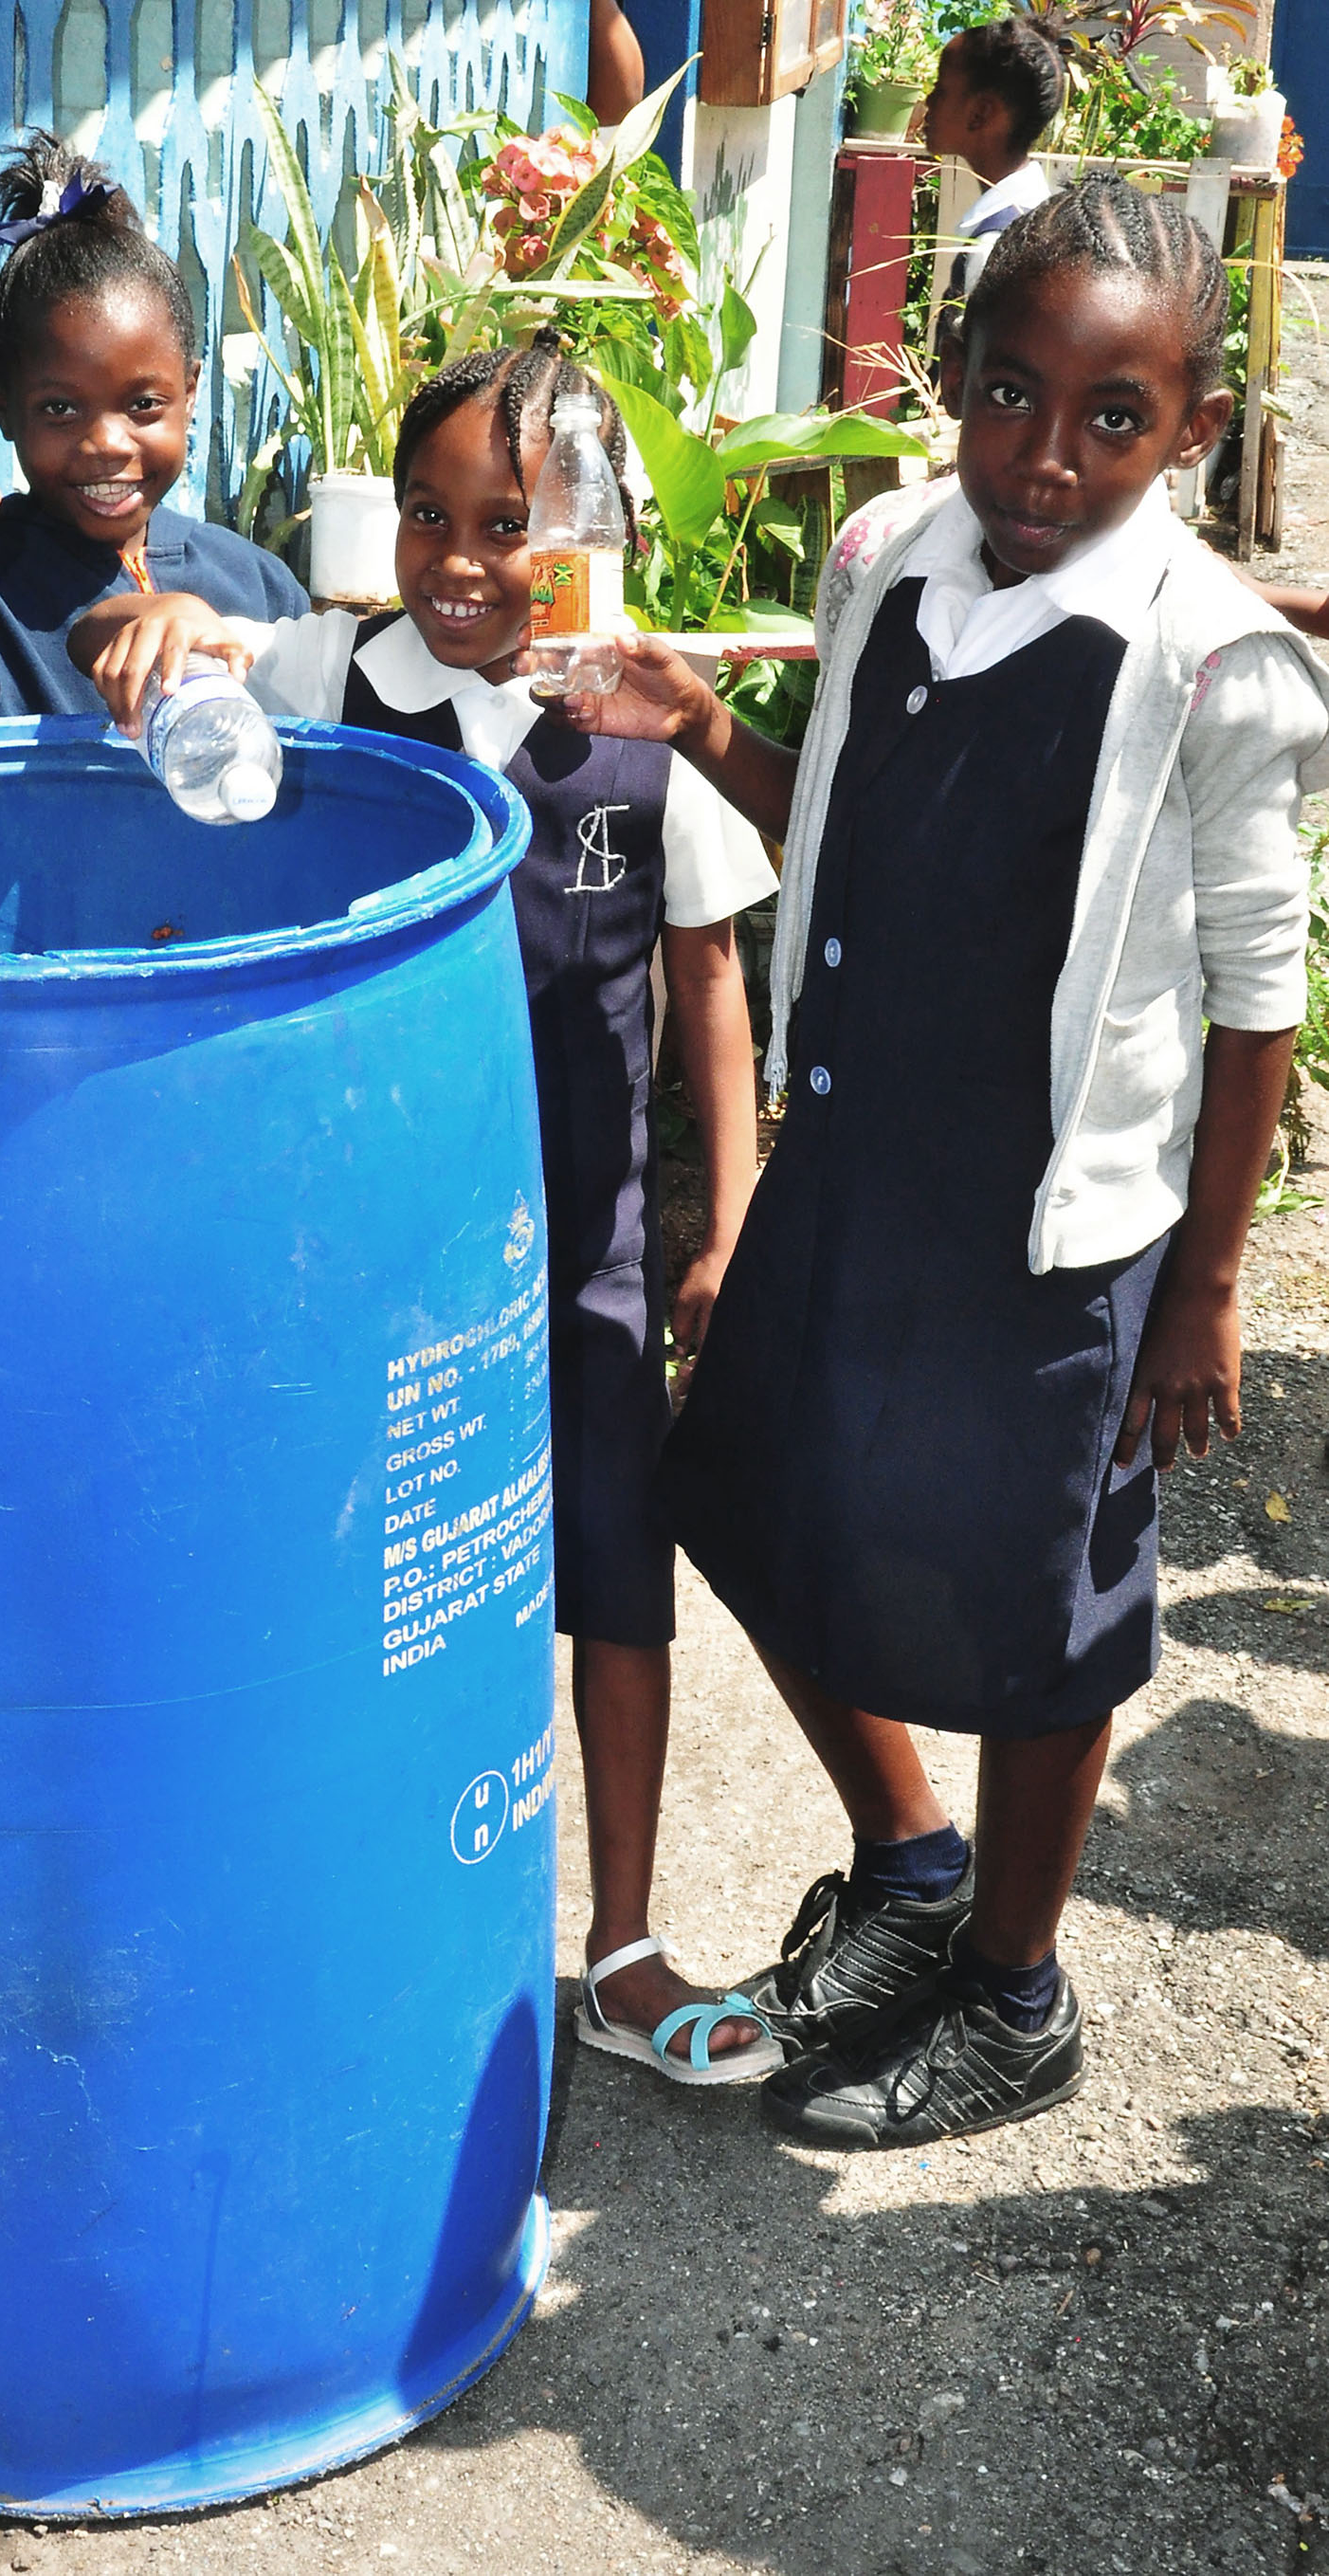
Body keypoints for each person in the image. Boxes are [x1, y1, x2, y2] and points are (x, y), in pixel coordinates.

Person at [546, 174, 1329, 2144]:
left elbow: (1258, 1000)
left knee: (1038, 1613)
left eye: (1110, 416)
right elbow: (840, 833)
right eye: (1005, 393)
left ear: (1190, 430)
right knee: (753, 1502)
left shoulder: (1208, 662)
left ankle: (1012, 1988)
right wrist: (705, 730)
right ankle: (907, 1862)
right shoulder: (890, 558)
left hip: (1049, 1226)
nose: (1044, 455)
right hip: (854, 1166)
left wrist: (1202, 1286)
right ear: (951, 377)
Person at [73, 338, 783, 2085]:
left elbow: (706, 979)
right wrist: (158, 626)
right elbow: (156, 647)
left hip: (585, 1254)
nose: (460, 564)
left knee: (616, 1580)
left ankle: (621, 1946)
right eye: (426, 516)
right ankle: (376, 1905)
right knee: (383, 1576)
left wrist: (729, 1216)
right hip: (380, 1266)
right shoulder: (336, 674)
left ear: (590, 533)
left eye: (505, 526)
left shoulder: (636, 724)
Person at [0, 132, 306, 733]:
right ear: (2, 406)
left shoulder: (257, 582)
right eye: (61, 409)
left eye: (143, 404)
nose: (108, 445)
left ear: (190, 392)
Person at [921, 14, 1067, 307]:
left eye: (940, 89)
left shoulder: (994, 248)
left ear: (980, 114)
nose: (929, 101)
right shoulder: (1034, 216)